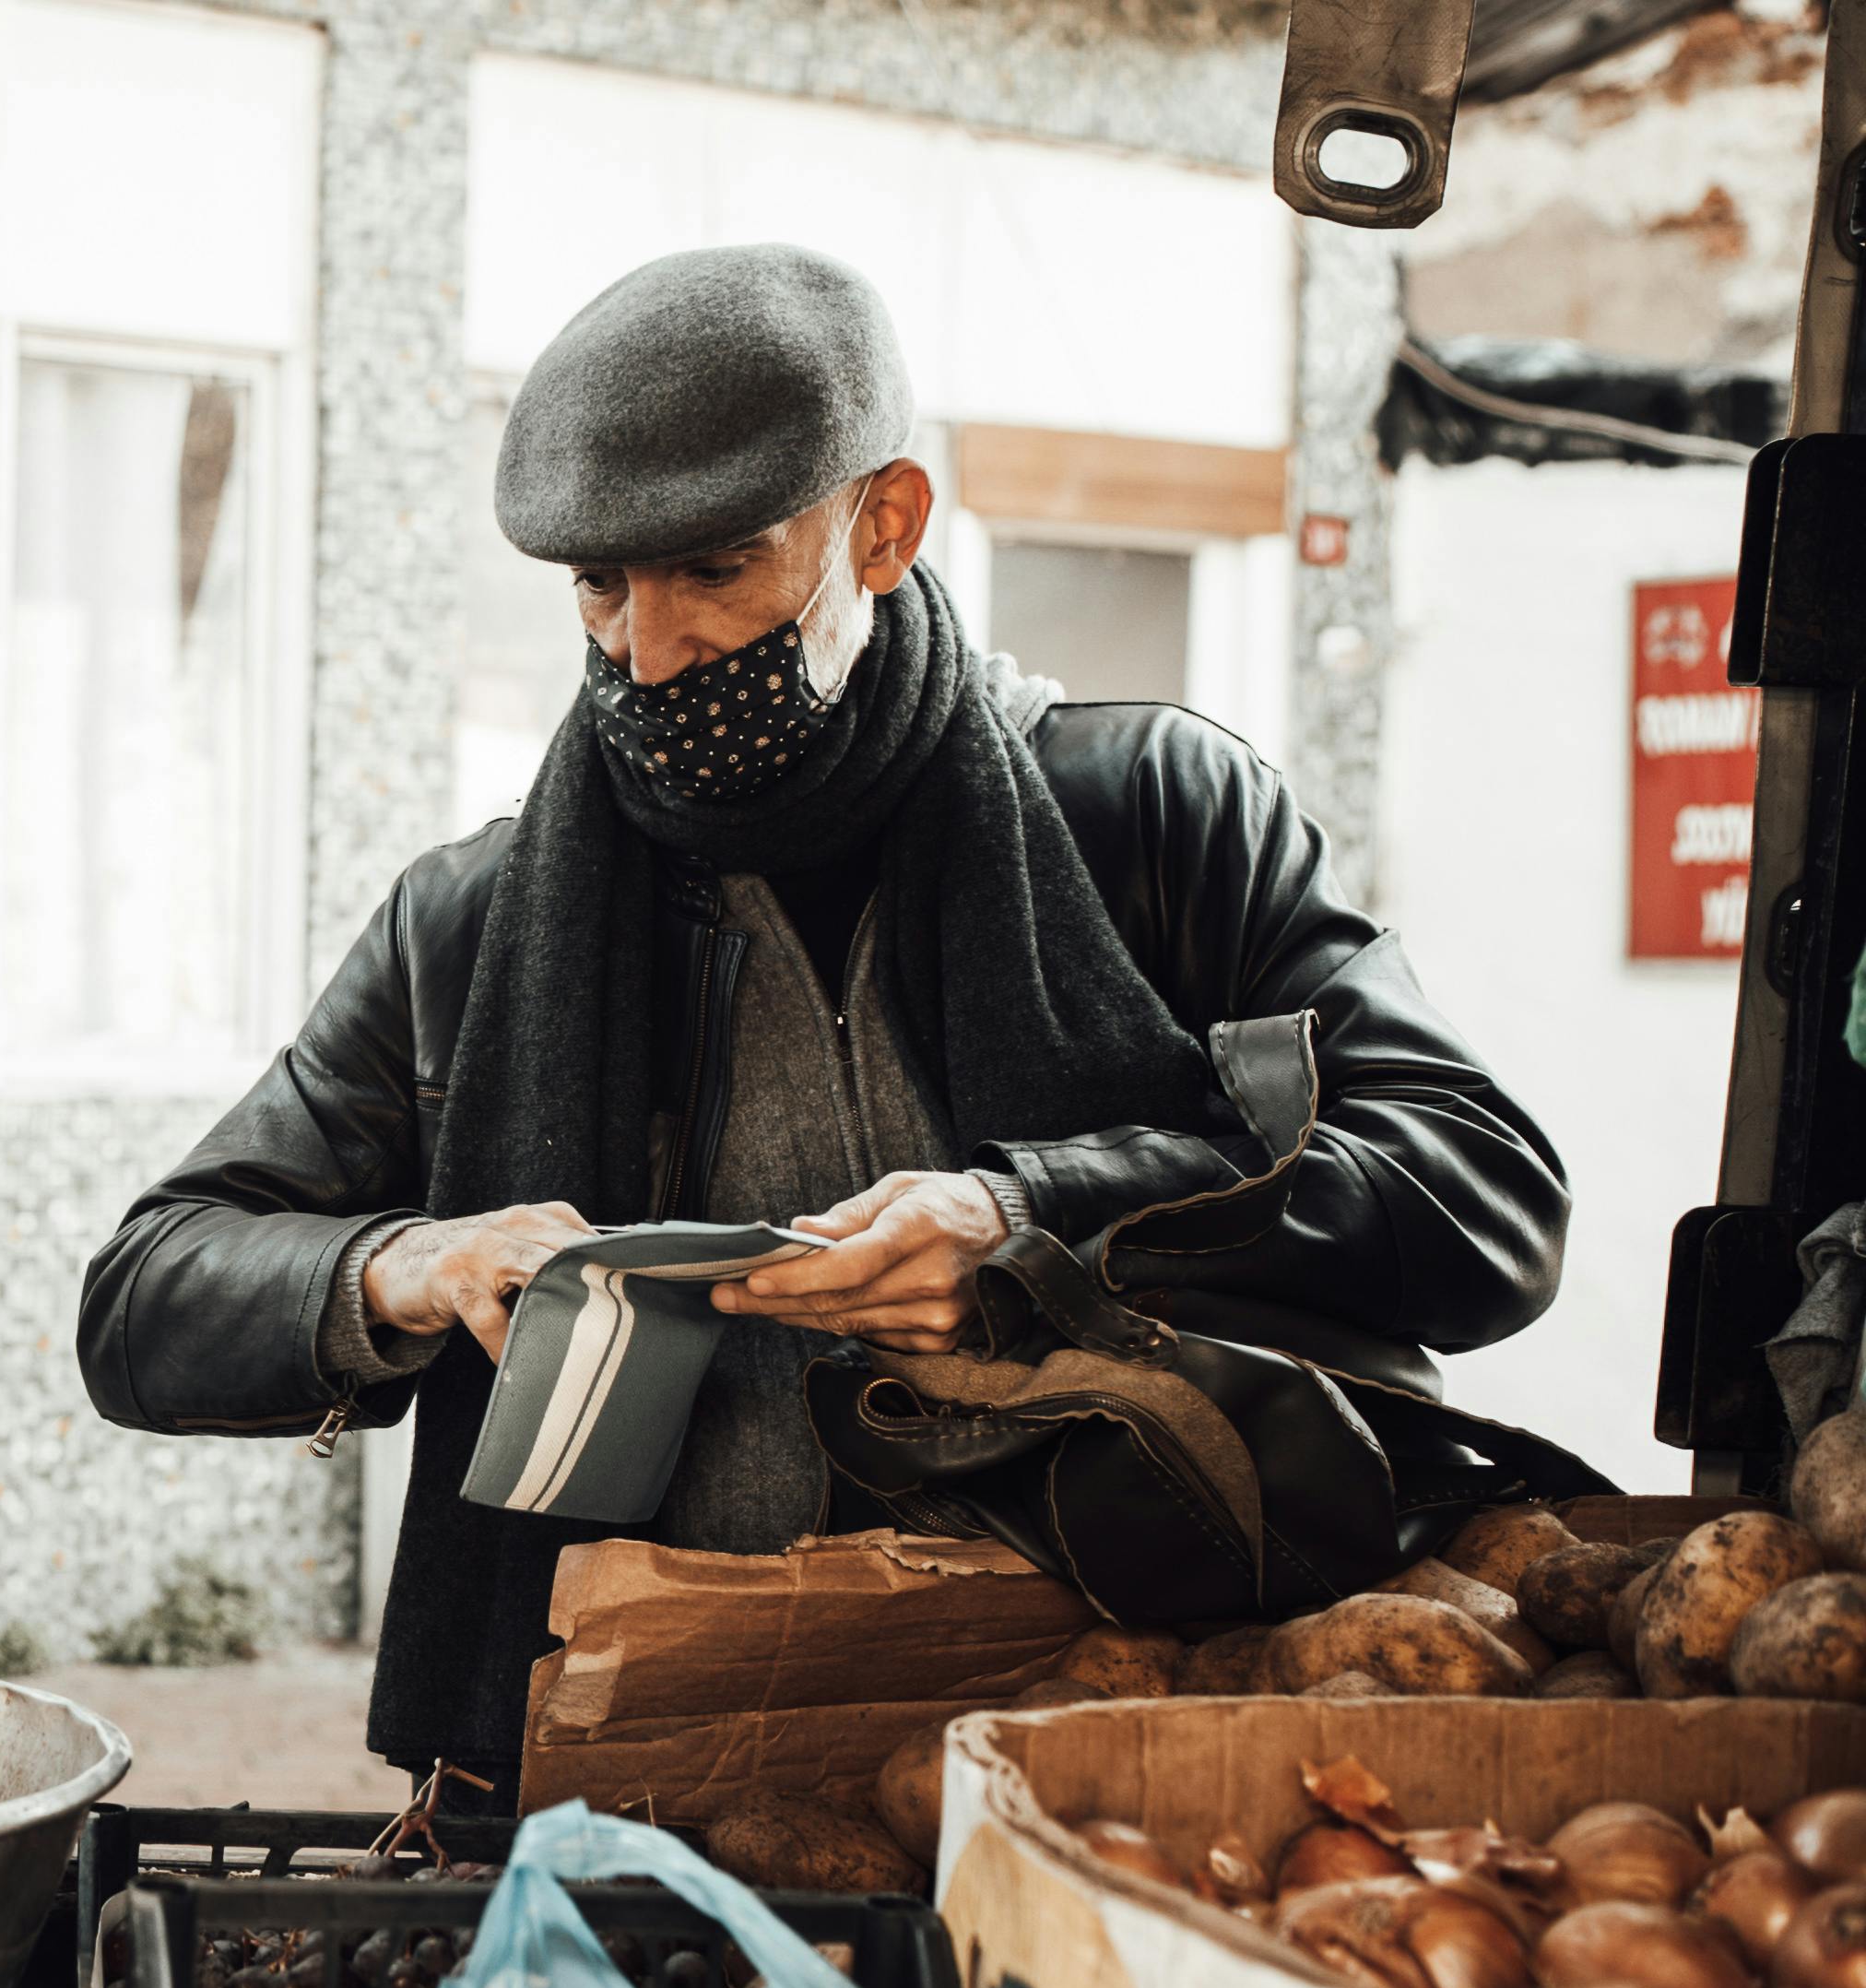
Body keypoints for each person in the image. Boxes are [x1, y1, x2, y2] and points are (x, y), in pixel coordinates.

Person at [77, 245, 1567, 1794]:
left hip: (1117, 1730)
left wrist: (1030, 1222)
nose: (643, 651)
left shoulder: (1153, 818)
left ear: (883, 522)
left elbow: (1480, 1197)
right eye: (598, 582)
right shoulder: (472, 923)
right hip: (640, 1765)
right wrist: (405, 1264)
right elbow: (144, 1295)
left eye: (712, 567)